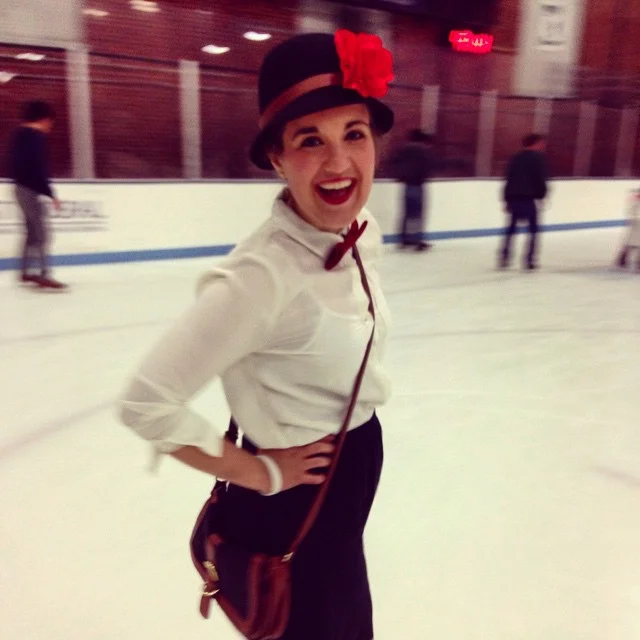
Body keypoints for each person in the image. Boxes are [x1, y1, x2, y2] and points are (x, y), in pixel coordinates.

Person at [119, 29, 395, 640]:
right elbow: (144, 403)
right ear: (276, 157)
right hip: (298, 502)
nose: (339, 163)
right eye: (310, 140)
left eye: (354, 134)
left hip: (347, 484)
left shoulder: (361, 227)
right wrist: (260, 474)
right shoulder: (261, 276)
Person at [7, 100, 66, 289]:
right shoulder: (36, 138)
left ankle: (25, 272)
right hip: (30, 190)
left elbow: (15, 164)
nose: (50, 127)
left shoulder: (18, 135)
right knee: (42, 234)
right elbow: (40, 169)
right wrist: (51, 194)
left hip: (19, 189)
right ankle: (44, 274)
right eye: (51, 123)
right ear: (44, 119)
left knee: (31, 232)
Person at [499, 133, 548, 270]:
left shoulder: (515, 158)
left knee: (511, 229)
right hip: (528, 198)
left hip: (514, 198)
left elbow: (508, 179)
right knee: (533, 230)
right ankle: (529, 260)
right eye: (541, 143)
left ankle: (504, 257)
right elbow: (540, 179)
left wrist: (506, 199)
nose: (543, 146)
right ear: (536, 143)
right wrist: (541, 196)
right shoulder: (538, 158)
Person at [390, 128, 435, 250]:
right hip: (418, 185)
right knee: (418, 215)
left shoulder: (403, 149)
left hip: (407, 185)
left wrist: (401, 177)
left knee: (406, 214)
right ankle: (417, 240)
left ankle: (404, 240)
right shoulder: (424, 150)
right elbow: (429, 165)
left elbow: (394, 162)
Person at [615, 187, 640, 271]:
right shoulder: (635, 199)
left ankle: (622, 261)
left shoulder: (635, 199)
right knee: (632, 243)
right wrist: (634, 219)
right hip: (636, 223)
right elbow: (632, 211)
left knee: (631, 243)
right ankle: (624, 261)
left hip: (636, 223)